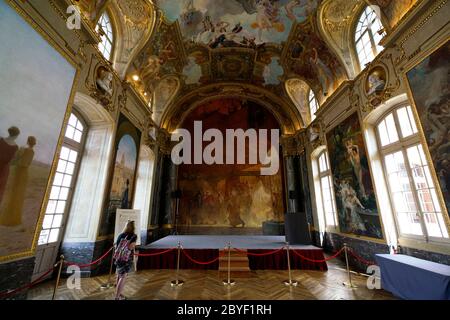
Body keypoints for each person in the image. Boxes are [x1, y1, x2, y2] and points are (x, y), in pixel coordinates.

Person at [0, 136, 36, 227]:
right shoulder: (32, 152)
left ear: (28, 141)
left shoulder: (23, 149)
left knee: (12, 193)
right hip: (24, 173)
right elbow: (28, 163)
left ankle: (7, 219)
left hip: (18, 171)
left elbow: (16, 159)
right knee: (18, 195)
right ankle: (15, 220)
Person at [114, 220, 137, 300]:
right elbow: (131, 247)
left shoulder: (120, 235)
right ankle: (117, 297)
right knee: (123, 277)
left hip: (118, 258)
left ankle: (119, 294)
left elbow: (116, 246)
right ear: (133, 227)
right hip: (126, 259)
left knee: (119, 275)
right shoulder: (133, 236)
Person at [0, 126, 20, 205]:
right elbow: (13, 161)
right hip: (4, 169)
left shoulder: (1, 140)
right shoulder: (15, 147)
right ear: (16, 135)